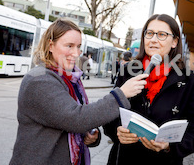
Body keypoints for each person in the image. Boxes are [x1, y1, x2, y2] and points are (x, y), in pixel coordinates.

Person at [9, 18, 148, 165]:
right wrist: (121, 94)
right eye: (69, 46)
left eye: (78, 46)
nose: (76, 53)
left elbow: (81, 117)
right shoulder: (38, 80)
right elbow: (75, 118)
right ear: (51, 45)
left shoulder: (70, 77)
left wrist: (91, 135)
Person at [103, 14, 194, 165]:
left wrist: (169, 146)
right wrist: (116, 131)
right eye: (149, 33)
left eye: (162, 35)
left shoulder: (190, 80)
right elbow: (108, 114)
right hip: (124, 159)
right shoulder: (128, 71)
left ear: (174, 42)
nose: (153, 39)